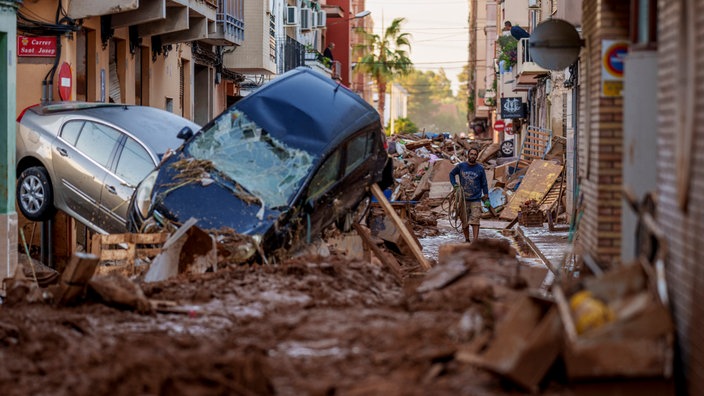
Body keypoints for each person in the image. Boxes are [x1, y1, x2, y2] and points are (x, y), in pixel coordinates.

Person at [449, 147, 489, 243]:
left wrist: (487, 197)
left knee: (475, 220)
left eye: (475, 154)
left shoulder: (480, 169)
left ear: (477, 156)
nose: (473, 156)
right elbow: (451, 174)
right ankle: (467, 240)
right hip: (464, 199)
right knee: (464, 221)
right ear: (468, 155)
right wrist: (455, 185)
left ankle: (475, 241)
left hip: (476, 199)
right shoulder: (461, 166)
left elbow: (484, 183)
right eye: (471, 154)